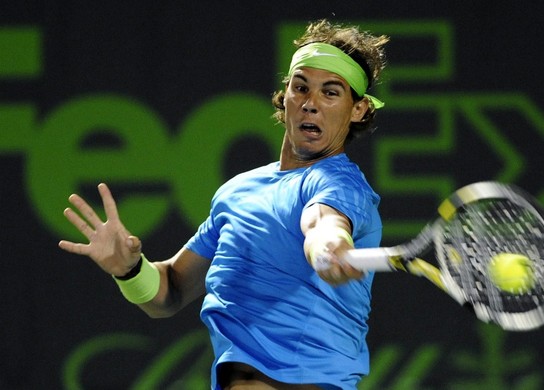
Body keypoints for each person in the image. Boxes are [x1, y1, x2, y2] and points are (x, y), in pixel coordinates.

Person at [59, 19, 389, 390]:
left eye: (331, 93)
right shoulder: (238, 192)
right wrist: (129, 270)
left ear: (358, 109)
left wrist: (328, 247)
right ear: (286, 95)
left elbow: (324, 224)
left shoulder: (338, 184)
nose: (311, 104)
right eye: (301, 88)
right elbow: (171, 291)